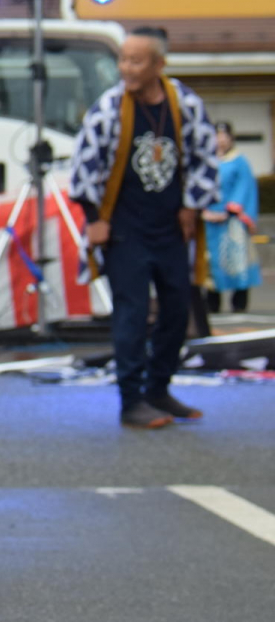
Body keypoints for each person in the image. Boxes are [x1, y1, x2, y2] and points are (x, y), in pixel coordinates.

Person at [70, 27, 218, 429]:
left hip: (170, 226)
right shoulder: (109, 108)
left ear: (159, 65)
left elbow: (206, 157)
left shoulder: (184, 104)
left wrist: (192, 204)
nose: (127, 68)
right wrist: (95, 219)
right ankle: (131, 400)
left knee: (175, 309)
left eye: (136, 61)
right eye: (123, 60)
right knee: (132, 314)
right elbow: (83, 167)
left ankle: (158, 388)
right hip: (125, 229)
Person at [203, 121, 262, 313]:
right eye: (217, 136)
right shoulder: (206, 161)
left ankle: (239, 303)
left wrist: (229, 211)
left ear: (231, 139)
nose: (220, 140)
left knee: (237, 260)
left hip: (232, 220)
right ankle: (212, 303)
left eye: (224, 136)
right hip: (209, 219)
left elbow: (245, 187)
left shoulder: (239, 161)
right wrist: (202, 210)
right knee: (210, 262)